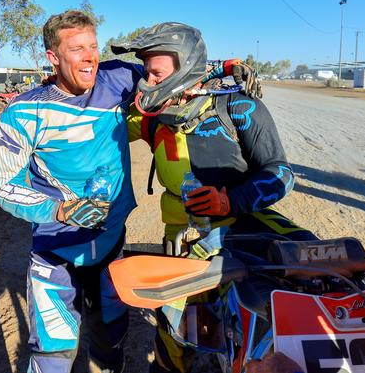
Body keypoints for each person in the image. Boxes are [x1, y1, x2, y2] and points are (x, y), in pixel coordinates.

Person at [112, 22, 315, 373]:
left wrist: (230, 200)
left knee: (297, 290)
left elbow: (281, 172)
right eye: (146, 73)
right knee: (174, 334)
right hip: (182, 239)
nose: (148, 82)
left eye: (156, 73)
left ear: (184, 65)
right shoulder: (152, 117)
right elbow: (98, 114)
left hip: (247, 228)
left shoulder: (239, 108)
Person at [0, 10, 142, 373]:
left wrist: (220, 71)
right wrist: (61, 210)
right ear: (53, 58)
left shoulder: (119, 78)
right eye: (77, 50)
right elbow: (2, 185)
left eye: (93, 46)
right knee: (53, 354)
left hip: (110, 245)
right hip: (55, 252)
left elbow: (165, 75)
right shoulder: (24, 111)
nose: (90, 57)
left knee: (111, 341)